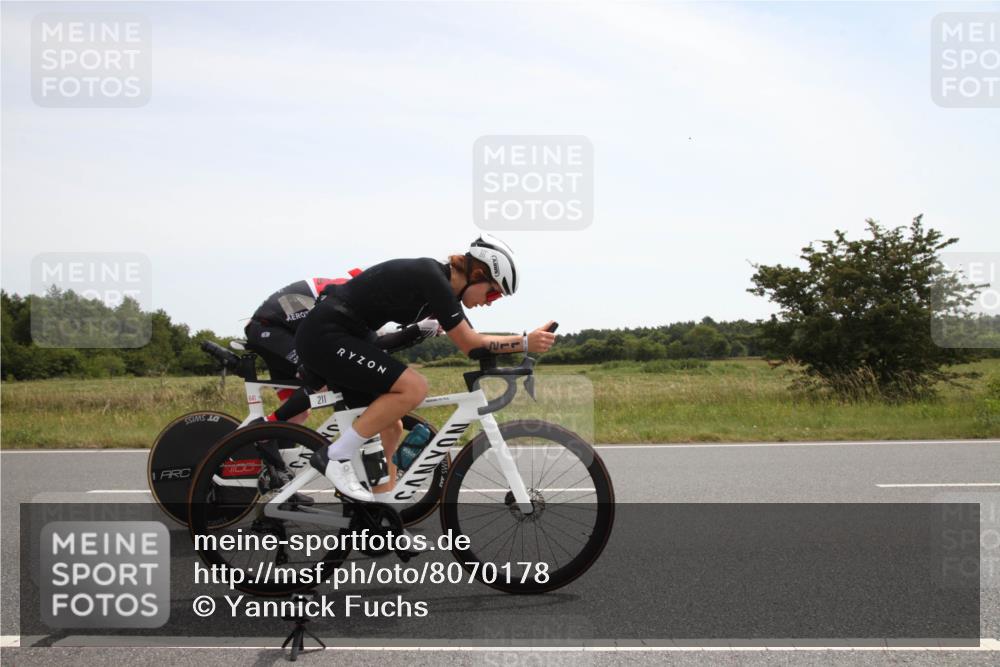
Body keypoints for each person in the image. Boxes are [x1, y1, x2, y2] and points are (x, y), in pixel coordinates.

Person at [295, 234, 557, 501]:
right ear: (477, 273)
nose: (490, 301)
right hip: (325, 336)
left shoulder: (443, 290)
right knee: (414, 387)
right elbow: (470, 344)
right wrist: (525, 342)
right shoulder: (430, 276)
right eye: (493, 292)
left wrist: (520, 345)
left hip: (344, 336)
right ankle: (334, 457)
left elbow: (475, 344)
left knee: (392, 427)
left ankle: (382, 518)